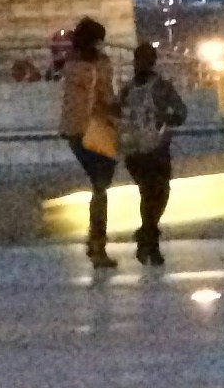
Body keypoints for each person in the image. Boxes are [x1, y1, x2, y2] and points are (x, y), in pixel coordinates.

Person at [116, 40, 188, 268]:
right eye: (142, 60)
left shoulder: (137, 89)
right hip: (145, 150)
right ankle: (150, 241)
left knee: (152, 195)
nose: (143, 64)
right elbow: (180, 113)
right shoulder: (150, 88)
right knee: (154, 194)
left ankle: (147, 236)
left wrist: (165, 118)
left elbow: (181, 113)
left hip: (146, 149)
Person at [56, 14, 120, 268]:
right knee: (101, 184)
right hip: (92, 130)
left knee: (100, 184)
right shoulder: (95, 66)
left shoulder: (70, 64)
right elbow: (106, 95)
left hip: (76, 131)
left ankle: (96, 242)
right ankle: (97, 244)